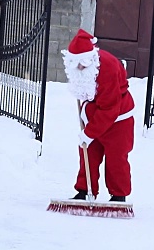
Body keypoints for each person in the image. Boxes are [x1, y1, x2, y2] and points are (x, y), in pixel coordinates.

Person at [61, 29, 135, 202]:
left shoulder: (108, 67)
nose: (79, 67)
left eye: (82, 64)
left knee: (116, 157)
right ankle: (85, 190)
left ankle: (118, 195)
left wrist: (89, 133)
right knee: (88, 153)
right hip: (95, 116)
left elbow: (110, 109)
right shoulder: (82, 68)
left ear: (90, 58)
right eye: (75, 63)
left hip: (119, 118)